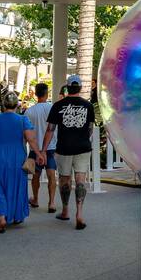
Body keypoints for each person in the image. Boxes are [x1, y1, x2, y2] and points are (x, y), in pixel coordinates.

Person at [42, 74, 94, 230]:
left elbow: (50, 130)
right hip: (83, 148)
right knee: (80, 180)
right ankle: (79, 213)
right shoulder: (88, 106)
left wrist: (43, 150)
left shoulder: (58, 105)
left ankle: (65, 211)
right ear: (80, 88)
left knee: (65, 180)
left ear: (67, 87)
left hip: (64, 148)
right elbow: (90, 129)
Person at [0, 92, 39, 234]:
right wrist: (39, 154)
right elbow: (31, 139)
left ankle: (2, 216)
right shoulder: (22, 119)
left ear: (3, 105)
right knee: (16, 186)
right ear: (17, 105)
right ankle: (17, 215)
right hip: (17, 157)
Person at [24, 83, 59, 213]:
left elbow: (26, 132)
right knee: (51, 175)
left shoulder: (29, 111)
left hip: (35, 149)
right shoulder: (53, 108)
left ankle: (36, 199)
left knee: (35, 176)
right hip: (51, 147)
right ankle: (52, 203)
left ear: (36, 93)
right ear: (47, 93)